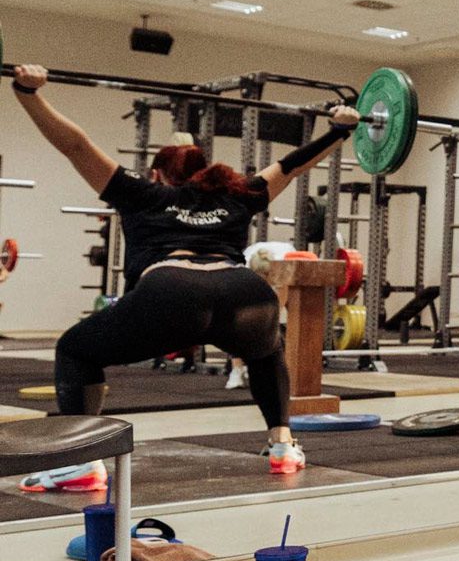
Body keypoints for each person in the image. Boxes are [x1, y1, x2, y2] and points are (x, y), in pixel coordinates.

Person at [8, 64, 359, 490]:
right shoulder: (235, 193)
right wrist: (340, 131)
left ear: (157, 174)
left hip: (173, 292)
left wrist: (28, 94)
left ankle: (82, 459)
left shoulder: (143, 193)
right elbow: (291, 166)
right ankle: (283, 445)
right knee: (267, 351)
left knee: (76, 350)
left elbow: (77, 146)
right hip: (244, 291)